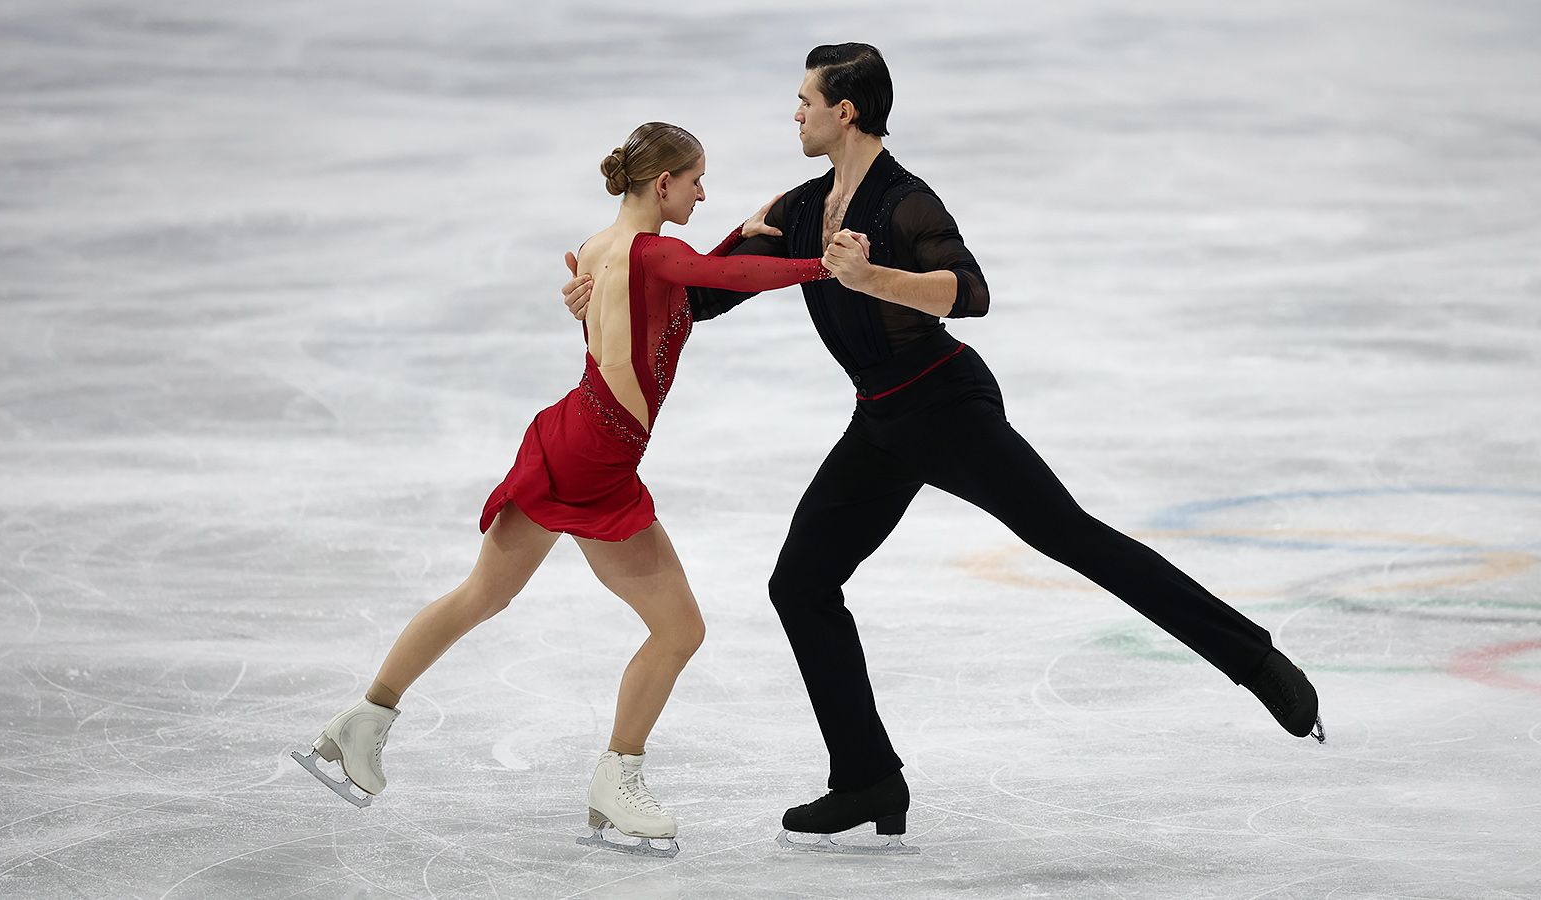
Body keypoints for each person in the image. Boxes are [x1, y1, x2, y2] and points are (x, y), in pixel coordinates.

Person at [561, 44, 1323, 852]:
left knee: (1073, 538)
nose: (796, 113)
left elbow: (971, 292)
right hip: (881, 422)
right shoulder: (800, 207)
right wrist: (601, 292)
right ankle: (866, 778)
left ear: (845, 112)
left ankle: (1258, 662)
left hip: (947, 405)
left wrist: (873, 279)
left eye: (806, 100)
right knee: (802, 584)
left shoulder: (905, 201)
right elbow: (702, 296)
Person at [293, 122, 835, 857]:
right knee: (680, 630)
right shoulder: (653, 254)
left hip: (569, 433)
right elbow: (724, 279)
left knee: (480, 595)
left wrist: (742, 232)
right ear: (663, 183)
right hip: (597, 463)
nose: (704, 193)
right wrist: (825, 268)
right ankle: (618, 780)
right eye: (696, 180)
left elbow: (683, 280)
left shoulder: (601, 247)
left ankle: (361, 723)